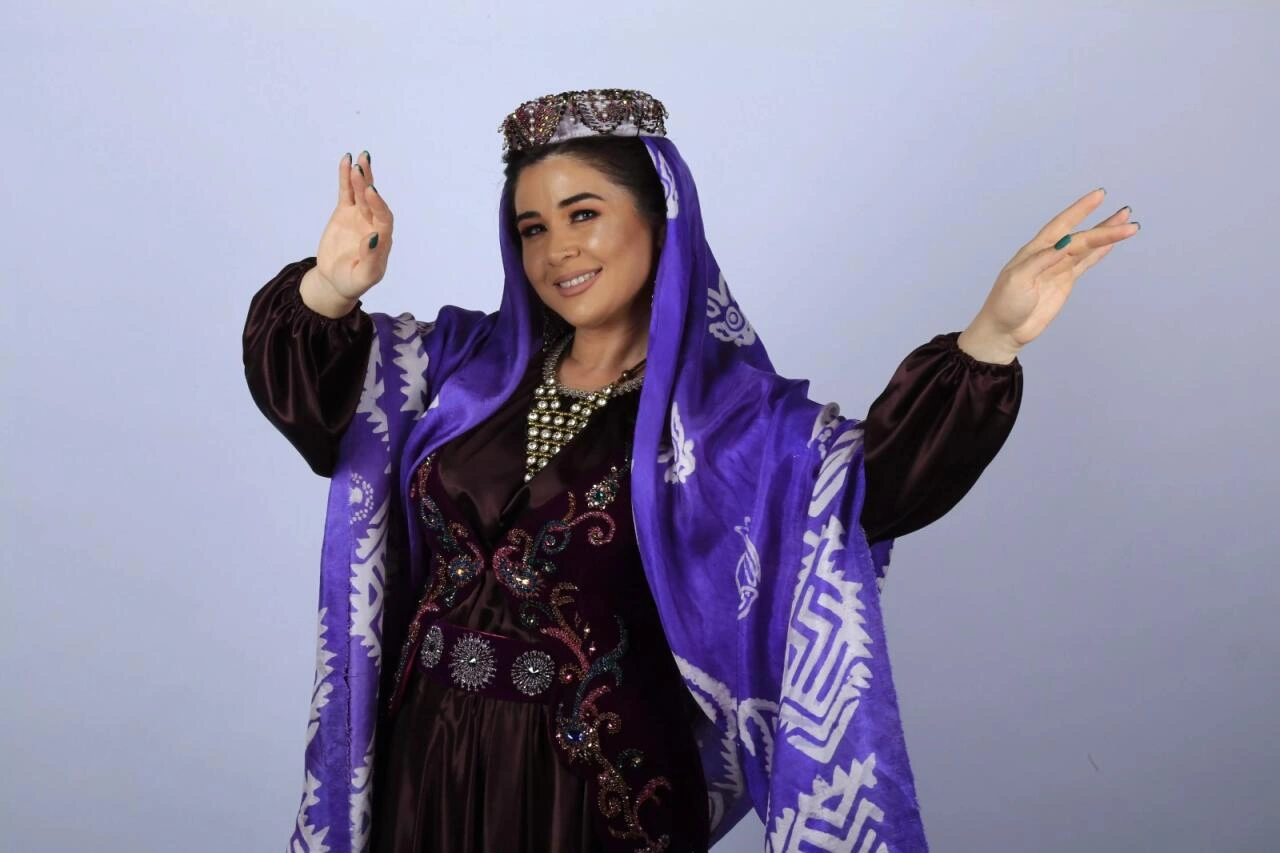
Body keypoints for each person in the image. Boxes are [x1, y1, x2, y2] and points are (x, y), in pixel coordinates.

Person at [243, 89, 1138, 853]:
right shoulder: (463, 367)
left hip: (599, 792)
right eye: (532, 227)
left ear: (659, 218)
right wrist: (332, 285)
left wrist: (991, 339)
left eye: (584, 214)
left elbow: (871, 487)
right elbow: (322, 403)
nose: (557, 251)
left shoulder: (721, 419)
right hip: (425, 766)